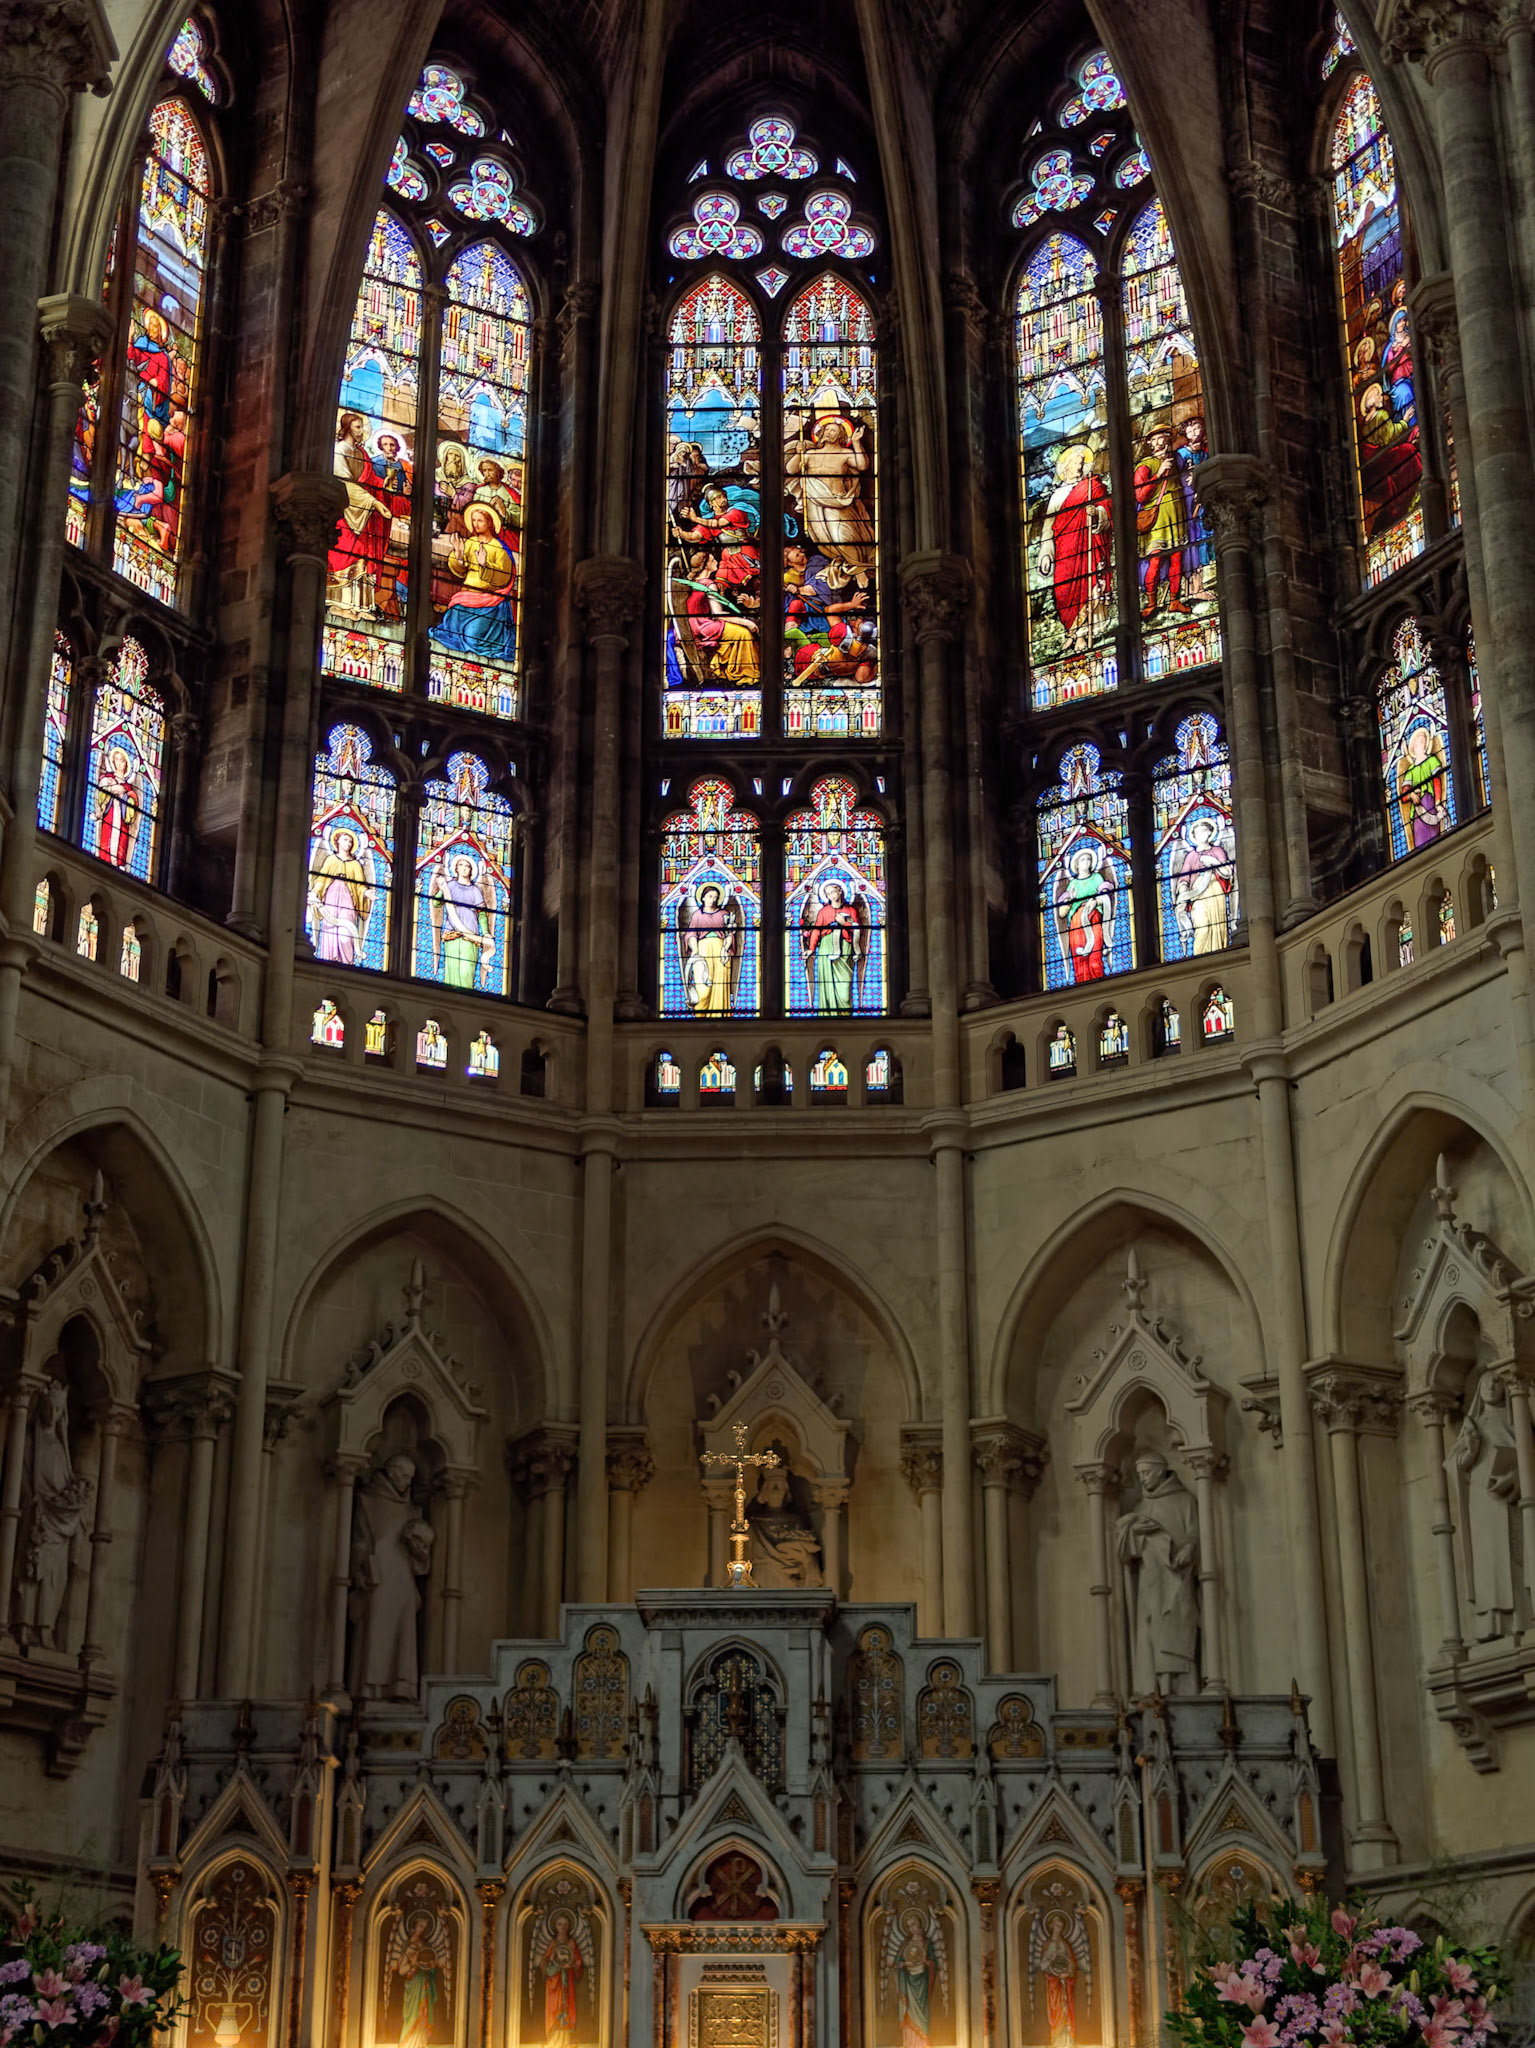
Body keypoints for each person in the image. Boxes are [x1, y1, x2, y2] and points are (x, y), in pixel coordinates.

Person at [1115, 1450, 1200, 1695]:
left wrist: (1189, 1547)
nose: (1143, 1478)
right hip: (1149, 1579)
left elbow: (1196, 1533)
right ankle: (1152, 1689)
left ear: (1161, 1471)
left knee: (1175, 1630)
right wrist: (1133, 1532)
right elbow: (1125, 1553)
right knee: (1151, 1631)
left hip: (1177, 1576)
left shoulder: (1185, 1500)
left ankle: (1180, 1688)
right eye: (1140, 1474)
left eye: (1147, 1473)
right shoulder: (1140, 1507)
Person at [349, 1454, 435, 1699]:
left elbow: (421, 1558)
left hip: (403, 1581)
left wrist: (420, 1553)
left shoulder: (413, 1510)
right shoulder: (367, 1501)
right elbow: (359, 1543)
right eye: (404, 1476)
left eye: (411, 1477)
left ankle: (402, 1687)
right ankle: (369, 1689)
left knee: (403, 1633)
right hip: (378, 1578)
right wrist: (358, 1571)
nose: (407, 1481)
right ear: (391, 1472)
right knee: (375, 1631)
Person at [1449, 1375, 1521, 1640]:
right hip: (1482, 1500)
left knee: (1516, 1558)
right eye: (1487, 1382)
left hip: (1513, 1498)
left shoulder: (1517, 1418)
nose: (1492, 1386)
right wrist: (1471, 1450)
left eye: (1498, 1381)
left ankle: (1521, 1619)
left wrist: (1517, 1476)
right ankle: (1493, 1624)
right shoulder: (1475, 1423)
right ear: (1478, 1389)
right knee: (1489, 1563)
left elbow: (1529, 1453)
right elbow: (1455, 1464)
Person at [1036, 445, 1112, 649]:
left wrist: (1096, 513)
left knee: (1088, 585)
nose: (1079, 467)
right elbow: (1048, 527)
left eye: (1082, 463)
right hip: (1065, 551)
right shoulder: (1058, 495)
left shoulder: (1092, 487)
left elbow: (1108, 510)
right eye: (1076, 463)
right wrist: (1046, 553)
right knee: (1064, 590)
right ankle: (1071, 630)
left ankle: (1083, 634)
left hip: (1088, 547)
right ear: (1066, 467)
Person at [784, 415, 875, 579]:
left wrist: (856, 442)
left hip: (838, 504)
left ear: (841, 435)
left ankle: (859, 568)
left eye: (832, 430)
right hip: (815, 505)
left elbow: (862, 465)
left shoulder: (845, 454)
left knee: (843, 538)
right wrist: (799, 453)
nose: (827, 432)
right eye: (826, 429)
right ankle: (851, 568)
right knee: (825, 541)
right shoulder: (811, 454)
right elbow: (791, 469)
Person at [430, 504, 518, 664]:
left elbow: (503, 579)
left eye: (480, 520)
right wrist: (458, 556)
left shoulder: (499, 549)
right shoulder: (471, 542)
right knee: (451, 631)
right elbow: (460, 571)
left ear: (490, 523)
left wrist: (485, 566)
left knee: (472, 639)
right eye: (474, 520)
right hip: (465, 599)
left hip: (489, 605)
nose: (476, 524)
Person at [1133, 424, 1190, 618]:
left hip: (1176, 512)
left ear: (1168, 440)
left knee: (1177, 559)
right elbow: (1140, 496)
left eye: (1163, 437)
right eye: (1155, 439)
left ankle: (1174, 600)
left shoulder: (1176, 460)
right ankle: (1151, 603)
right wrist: (1159, 474)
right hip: (1157, 519)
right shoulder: (1145, 465)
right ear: (1150, 443)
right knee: (1155, 560)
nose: (1159, 442)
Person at [1356, 381, 1421, 534]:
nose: (1381, 397)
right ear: (1372, 401)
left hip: (1372, 461)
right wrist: (1405, 421)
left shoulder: (1366, 421)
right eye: (1378, 395)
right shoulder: (1381, 415)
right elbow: (1389, 436)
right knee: (1408, 450)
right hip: (1381, 459)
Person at [746, 1463, 822, 1587]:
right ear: (764, 1491)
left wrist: (805, 1558)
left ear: (786, 1492)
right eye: (772, 1487)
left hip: (790, 1575)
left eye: (779, 1488)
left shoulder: (796, 1520)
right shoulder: (755, 1522)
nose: (776, 1492)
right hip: (763, 1574)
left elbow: (806, 1547)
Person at [432, 852, 497, 989]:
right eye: (460, 865)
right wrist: (442, 889)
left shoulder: (475, 890)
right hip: (451, 933)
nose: (463, 868)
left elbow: (481, 914)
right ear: (456, 868)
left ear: (471, 870)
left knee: (467, 970)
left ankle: (466, 995)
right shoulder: (450, 885)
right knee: (452, 968)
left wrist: (485, 932)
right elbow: (436, 903)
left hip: (470, 934)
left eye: (467, 866)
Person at [309, 825, 372, 966]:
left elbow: (360, 885)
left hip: (348, 900)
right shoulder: (331, 860)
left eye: (350, 841)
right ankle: (328, 962)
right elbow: (321, 880)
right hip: (330, 898)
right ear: (337, 841)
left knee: (346, 935)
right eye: (345, 840)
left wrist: (366, 892)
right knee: (330, 931)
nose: (348, 843)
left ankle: (347, 964)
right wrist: (314, 891)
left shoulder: (355, 864)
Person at [1054, 845, 1115, 983]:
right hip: (1077, 925)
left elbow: (1105, 896)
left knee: (1095, 959)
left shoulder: (1097, 878)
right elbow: (1062, 913)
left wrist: (1096, 902)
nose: (1086, 862)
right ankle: (1081, 984)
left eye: (1088, 859)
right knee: (1080, 962)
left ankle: (1100, 984)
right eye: (1082, 860)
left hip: (1094, 919)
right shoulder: (1073, 884)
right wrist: (1069, 901)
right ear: (1076, 864)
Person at [801, 879, 863, 1013]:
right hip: (827, 947)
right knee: (827, 983)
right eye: (828, 894)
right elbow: (816, 931)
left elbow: (858, 930)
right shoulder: (824, 912)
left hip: (845, 947)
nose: (832, 896)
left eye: (833, 892)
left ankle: (846, 1015)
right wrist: (811, 949)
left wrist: (844, 923)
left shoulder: (851, 910)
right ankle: (827, 1014)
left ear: (840, 891)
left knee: (845, 988)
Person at [1173, 818, 1233, 953]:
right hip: (1197, 894)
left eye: (1204, 830)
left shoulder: (1217, 851)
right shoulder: (1191, 856)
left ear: (1210, 832)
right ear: (1194, 835)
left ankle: (1219, 953)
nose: (1201, 834)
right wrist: (1183, 896)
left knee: (1218, 927)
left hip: (1215, 890)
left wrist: (1213, 862)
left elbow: (1227, 872)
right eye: (1198, 832)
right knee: (1202, 927)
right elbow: (1184, 879)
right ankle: (1198, 956)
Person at [680, 883, 737, 1014]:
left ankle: (719, 1018)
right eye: (710, 896)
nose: (713, 900)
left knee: (720, 986)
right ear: (703, 898)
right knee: (703, 990)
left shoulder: (724, 914)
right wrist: (695, 950)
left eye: (715, 897)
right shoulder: (697, 915)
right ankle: (699, 1016)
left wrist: (725, 949)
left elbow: (730, 934)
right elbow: (691, 934)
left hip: (720, 951)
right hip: (702, 951)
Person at [1395, 722, 1449, 848]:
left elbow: (1437, 782)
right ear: (1413, 748)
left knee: (1434, 839)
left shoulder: (1432, 761)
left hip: (1429, 803)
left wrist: (1437, 803)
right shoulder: (1410, 771)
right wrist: (1411, 795)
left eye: (1423, 741)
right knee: (1420, 841)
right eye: (1418, 743)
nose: (1421, 745)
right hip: (1418, 810)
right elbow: (1404, 795)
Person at [1176, 416, 1212, 600]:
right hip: (1188, 502)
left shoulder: (1206, 453)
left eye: (1197, 428)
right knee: (1191, 543)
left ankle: (1199, 586)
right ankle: (1190, 588)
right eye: (1189, 430)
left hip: (1202, 502)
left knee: (1202, 540)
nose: (1193, 432)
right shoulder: (1181, 454)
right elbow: (1176, 478)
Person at [93, 743, 144, 870]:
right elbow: (99, 794)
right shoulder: (108, 778)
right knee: (108, 836)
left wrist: (125, 797)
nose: (119, 763)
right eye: (116, 759)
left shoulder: (128, 787)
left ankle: (119, 863)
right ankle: (104, 859)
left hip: (121, 820)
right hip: (109, 816)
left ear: (126, 764)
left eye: (122, 760)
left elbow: (133, 804)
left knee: (121, 838)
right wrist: (112, 789)